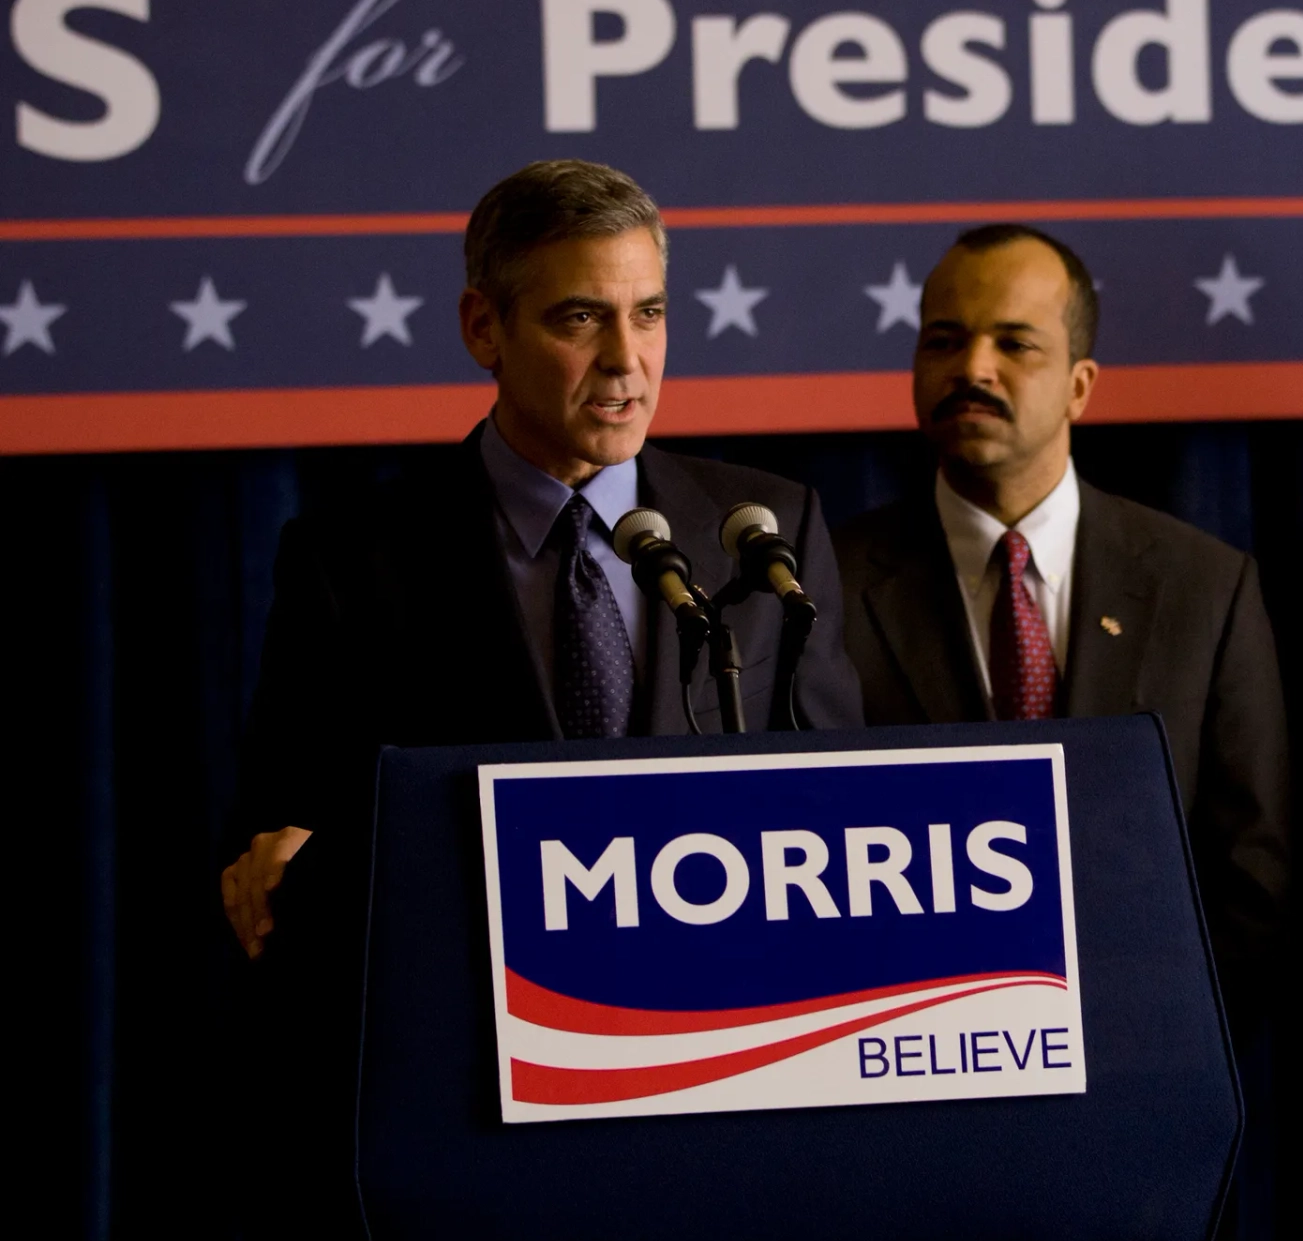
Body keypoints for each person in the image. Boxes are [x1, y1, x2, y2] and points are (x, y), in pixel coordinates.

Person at [219, 158, 864, 958]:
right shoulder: (352, 560)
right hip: (483, 1015)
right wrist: (289, 859)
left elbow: (842, 805)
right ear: (483, 327)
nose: (627, 358)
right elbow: (286, 824)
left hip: (725, 1005)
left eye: (650, 313)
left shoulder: (766, 529)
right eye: (581, 319)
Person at [834, 224, 1288, 1007]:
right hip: (902, 1053)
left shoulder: (1203, 586)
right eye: (945, 341)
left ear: (1080, 385)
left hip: (1148, 1062)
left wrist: (1158, 1048)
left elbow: (1253, 872)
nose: (973, 369)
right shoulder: (826, 586)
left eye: (1015, 344)